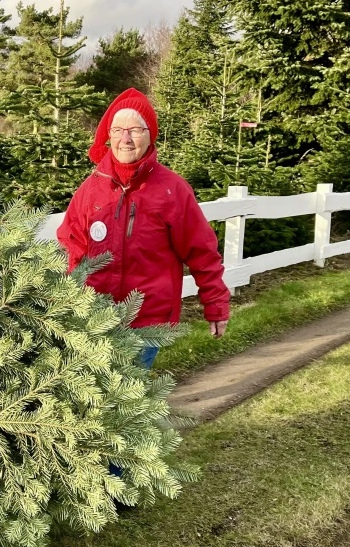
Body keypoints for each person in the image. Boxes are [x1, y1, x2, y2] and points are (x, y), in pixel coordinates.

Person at [57, 87, 230, 368]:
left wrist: (216, 305)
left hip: (147, 322)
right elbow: (71, 246)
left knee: (128, 400)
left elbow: (202, 253)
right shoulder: (91, 189)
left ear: (150, 136)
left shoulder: (172, 190)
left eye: (135, 130)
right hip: (94, 317)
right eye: (117, 130)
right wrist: (67, 302)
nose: (125, 139)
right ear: (108, 136)